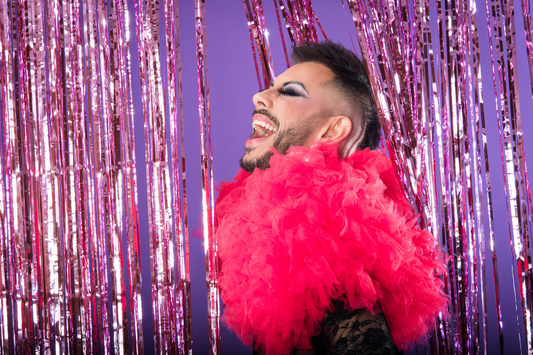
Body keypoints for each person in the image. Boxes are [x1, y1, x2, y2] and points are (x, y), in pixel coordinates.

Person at [215, 41, 448, 355]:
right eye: (272, 86)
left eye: (290, 91)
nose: (260, 96)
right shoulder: (280, 224)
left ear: (332, 130)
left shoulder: (325, 236)